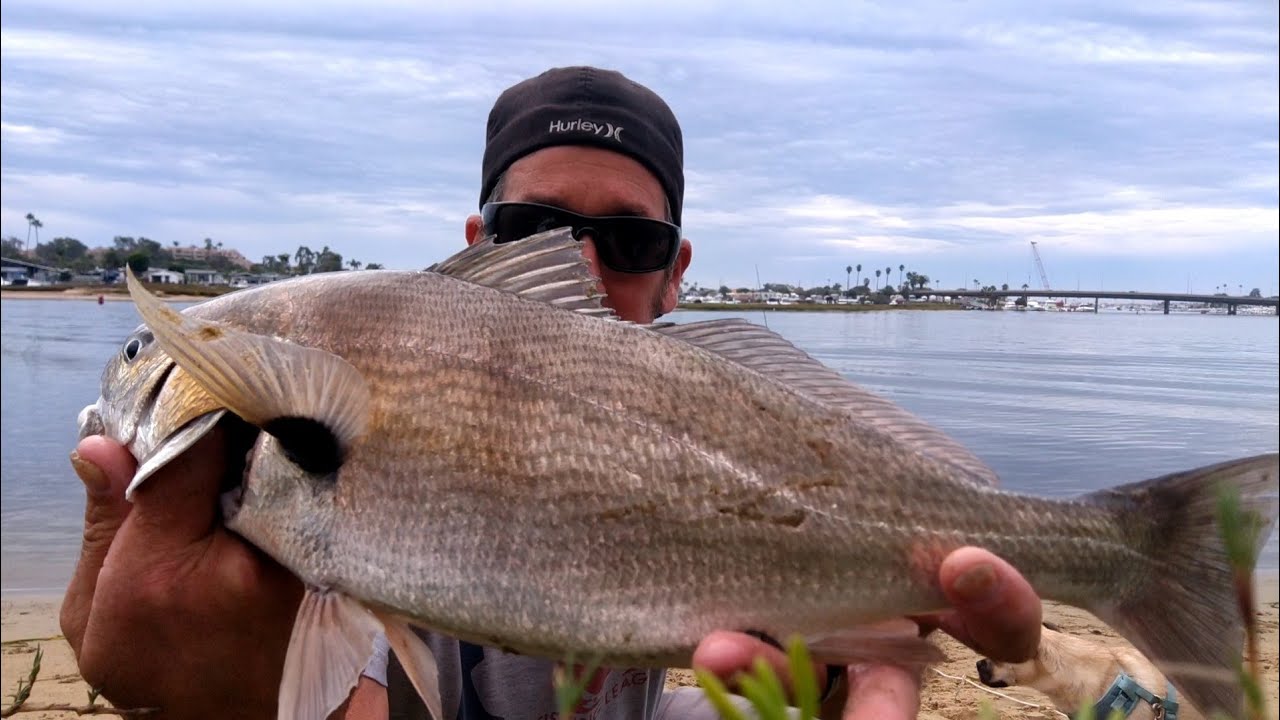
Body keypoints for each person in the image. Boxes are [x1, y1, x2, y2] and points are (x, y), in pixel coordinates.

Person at [62, 66, 1043, 720]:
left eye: (630, 241)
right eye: (534, 227)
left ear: (676, 273)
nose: (578, 263)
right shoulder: (278, 508)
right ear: (474, 245)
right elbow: (332, 676)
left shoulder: (718, 420)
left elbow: (697, 696)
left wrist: (827, 680)